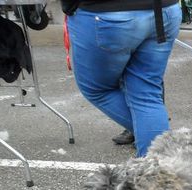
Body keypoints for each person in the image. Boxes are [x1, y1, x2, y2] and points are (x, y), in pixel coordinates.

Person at [66, 0, 181, 157]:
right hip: (164, 10)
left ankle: (165, 151)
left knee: (98, 90)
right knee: (146, 94)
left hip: (107, 13)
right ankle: (162, 162)